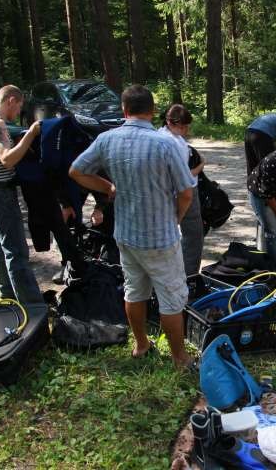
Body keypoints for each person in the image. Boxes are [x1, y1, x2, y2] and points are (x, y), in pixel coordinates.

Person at [69, 85, 196, 367]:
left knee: (134, 290)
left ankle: (141, 345)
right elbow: (186, 191)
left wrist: (108, 187)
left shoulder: (106, 139)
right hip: (160, 237)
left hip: (125, 234)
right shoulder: (166, 144)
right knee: (172, 298)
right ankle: (179, 358)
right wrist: (175, 219)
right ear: (152, 112)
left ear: (124, 110)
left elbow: (76, 170)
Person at [0, 85, 44, 307]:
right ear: (11, 100)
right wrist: (31, 134)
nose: (19, 112)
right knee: (16, 250)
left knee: (1, 245)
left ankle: (7, 296)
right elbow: (7, 159)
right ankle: (33, 306)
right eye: (19, 106)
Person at [159, 104, 205, 276]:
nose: (186, 130)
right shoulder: (174, 143)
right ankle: (190, 276)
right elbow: (184, 176)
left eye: (187, 126)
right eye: (183, 126)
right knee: (193, 236)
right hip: (185, 191)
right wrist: (201, 165)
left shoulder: (160, 134)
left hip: (166, 193)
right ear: (171, 123)